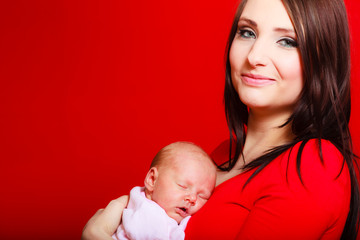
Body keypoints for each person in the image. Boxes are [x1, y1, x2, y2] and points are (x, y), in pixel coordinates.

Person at [82, 0, 360, 239]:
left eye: (287, 41)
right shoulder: (219, 155)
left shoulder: (313, 165)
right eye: (247, 32)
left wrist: (95, 234)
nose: (254, 56)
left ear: (323, 59)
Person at [111, 141, 216, 240]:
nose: (193, 198)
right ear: (152, 180)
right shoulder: (149, 213)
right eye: (183, 186)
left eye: (202, 196)